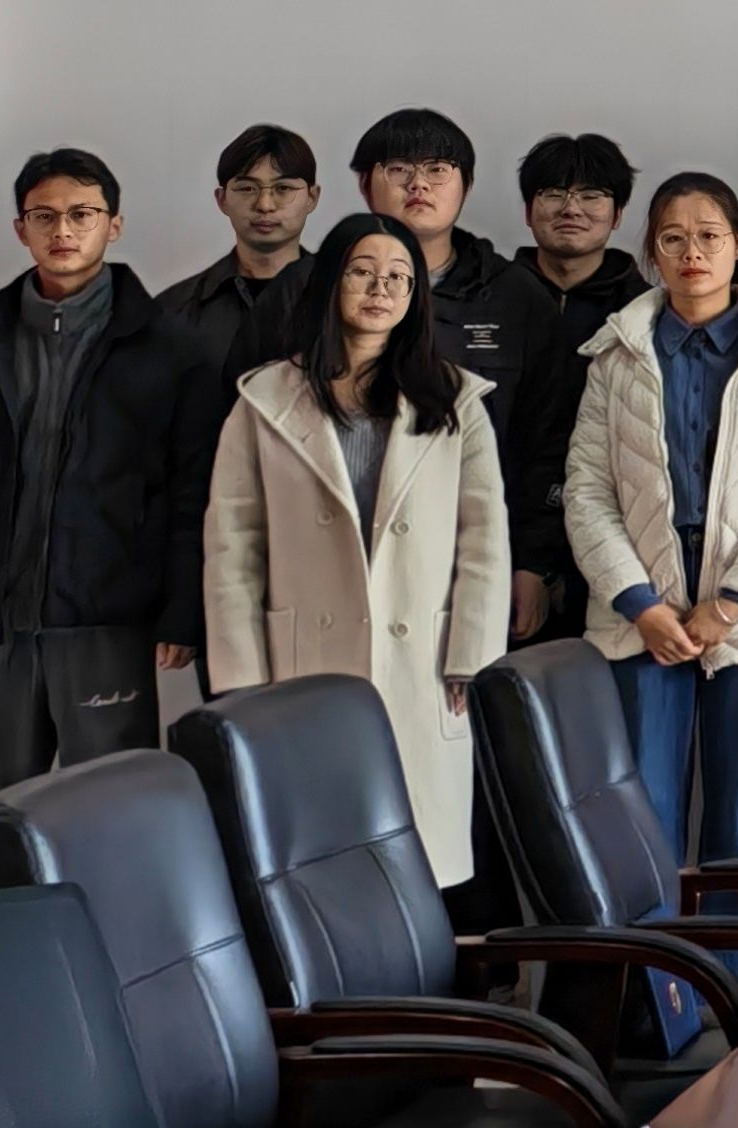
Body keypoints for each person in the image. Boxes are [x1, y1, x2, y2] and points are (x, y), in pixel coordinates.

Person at [0, 148, 221, 826]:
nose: (62, 230)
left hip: (108, 621)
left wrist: (182, 611)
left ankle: (110, 907)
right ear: (21, 229)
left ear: (113, 225)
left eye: (81, 214)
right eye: (44, 216)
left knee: (116, 814)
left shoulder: (169, 352)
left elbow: (194, 495)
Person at [563, 171, 738, 1011]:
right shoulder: (615, 350)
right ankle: (654, 1015)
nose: (692, 253)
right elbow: (586, 489)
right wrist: (639, 603)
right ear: (652, 251)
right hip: (642, 616)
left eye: (709, 235)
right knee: (643, 821)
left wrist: (733, 602)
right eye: (672, 238)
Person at [200, 211, 509, 897]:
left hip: (422, 659)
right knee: (317, 865)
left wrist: (472, 655)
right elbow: (233, 548)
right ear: (329, 283)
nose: (381, 289)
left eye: (399, 277)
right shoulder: (264, 399)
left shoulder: (455, 399)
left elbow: (484, 540)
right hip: (304, 660)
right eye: (362, 272)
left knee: (415, 867)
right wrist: (243, 681)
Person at [354, 108, 563, 652]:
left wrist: (534, 564)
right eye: (399, 169)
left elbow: (550, 441)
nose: (418, 185)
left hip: (476, 559)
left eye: (438, 170)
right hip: (348, 562)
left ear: (466, 186)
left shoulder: (517, 298)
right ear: (364, 184)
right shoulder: (312, 291)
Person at [508, 130, 642, 641]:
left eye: (591, 195)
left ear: (618, 213)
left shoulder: (645, 313)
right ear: (528, 210)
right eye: (553, 193)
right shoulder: (492, 299)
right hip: (497, 538)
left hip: (619, 549)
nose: (571, 208)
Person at [155, 123, 318, 377]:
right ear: (222, 200)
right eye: (247, 188)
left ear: (312, 198)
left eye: (283, 188)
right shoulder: (174, 310)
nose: (265, 205)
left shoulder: (345, 295)